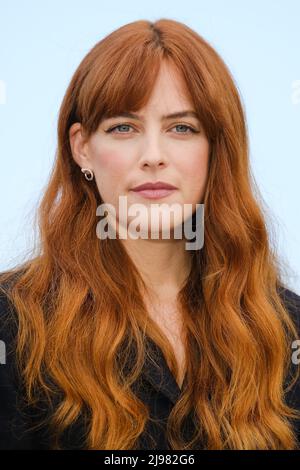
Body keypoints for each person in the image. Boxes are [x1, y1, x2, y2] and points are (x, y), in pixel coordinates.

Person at [0, 18, 300, 450]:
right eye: (124, 127)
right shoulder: (14, 325)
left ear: (217, 148)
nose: (153, 156)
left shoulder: (285, 330)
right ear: (82, 147)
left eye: (182, 128)